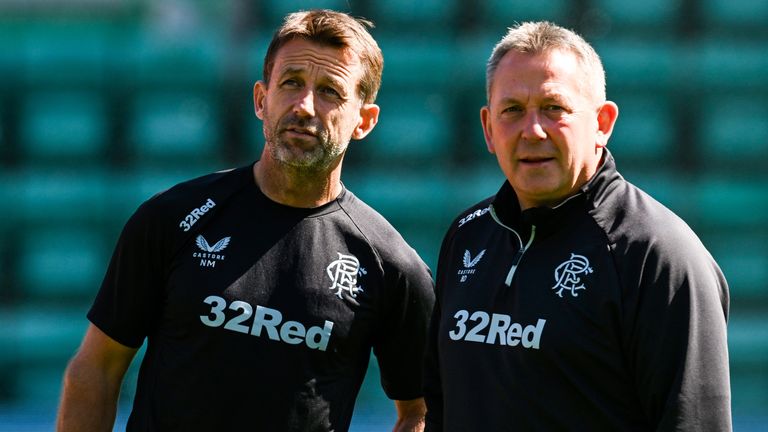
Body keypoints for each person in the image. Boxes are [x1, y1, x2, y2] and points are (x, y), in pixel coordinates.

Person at [57, 9, 435, 432]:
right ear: (261, 99)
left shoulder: (392, 265)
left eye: (330, 91)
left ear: (364, 121)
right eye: (291, 83)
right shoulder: (173, 217)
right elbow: (97, 368)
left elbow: (420, 410)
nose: (305, 106)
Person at [423, 21, 731, 431]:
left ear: (603, 122)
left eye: (554, 108)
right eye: (512, 110)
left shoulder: (659, 255)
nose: (532, 131)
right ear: (488, 128)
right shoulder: (467, 235)